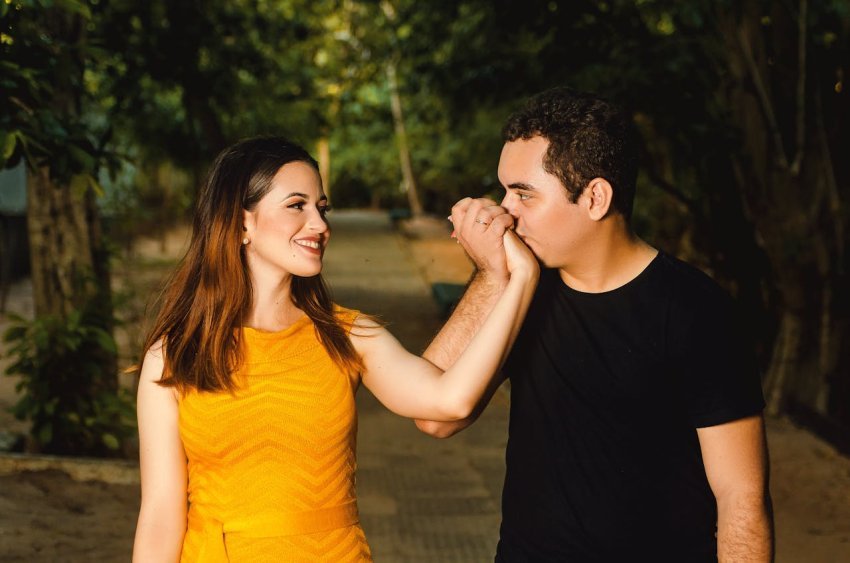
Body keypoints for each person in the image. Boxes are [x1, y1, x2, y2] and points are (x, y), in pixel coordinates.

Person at [131, 136, 538, 562]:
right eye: (297, 205)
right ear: (241, 223)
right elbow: (160, 516)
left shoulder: (347, 334)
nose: (320, 224)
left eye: (321, 208)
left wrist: (518, 278)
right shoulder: (175, 354)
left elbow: (450, 401)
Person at [416, 87, 773, 562]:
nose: (504, 212)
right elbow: (435, 416)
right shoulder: (522, 289)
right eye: (503, 191)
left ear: (595, 198)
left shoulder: (696, 310)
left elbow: (741, 498)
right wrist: (493, 275)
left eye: (523, 194)